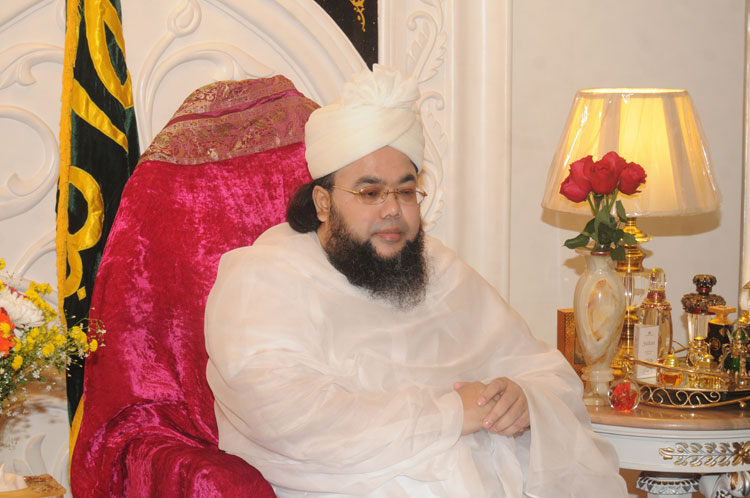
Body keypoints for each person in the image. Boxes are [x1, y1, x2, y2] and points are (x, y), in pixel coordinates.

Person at [205, 65, 628, 497]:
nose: (393, 209)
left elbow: (544, 371)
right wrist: (451, 414)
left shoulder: (440, 270)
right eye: (370, 193)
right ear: (323, 202)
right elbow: (291, 418)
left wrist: (522, 398)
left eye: (406, 192)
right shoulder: (265, 280)